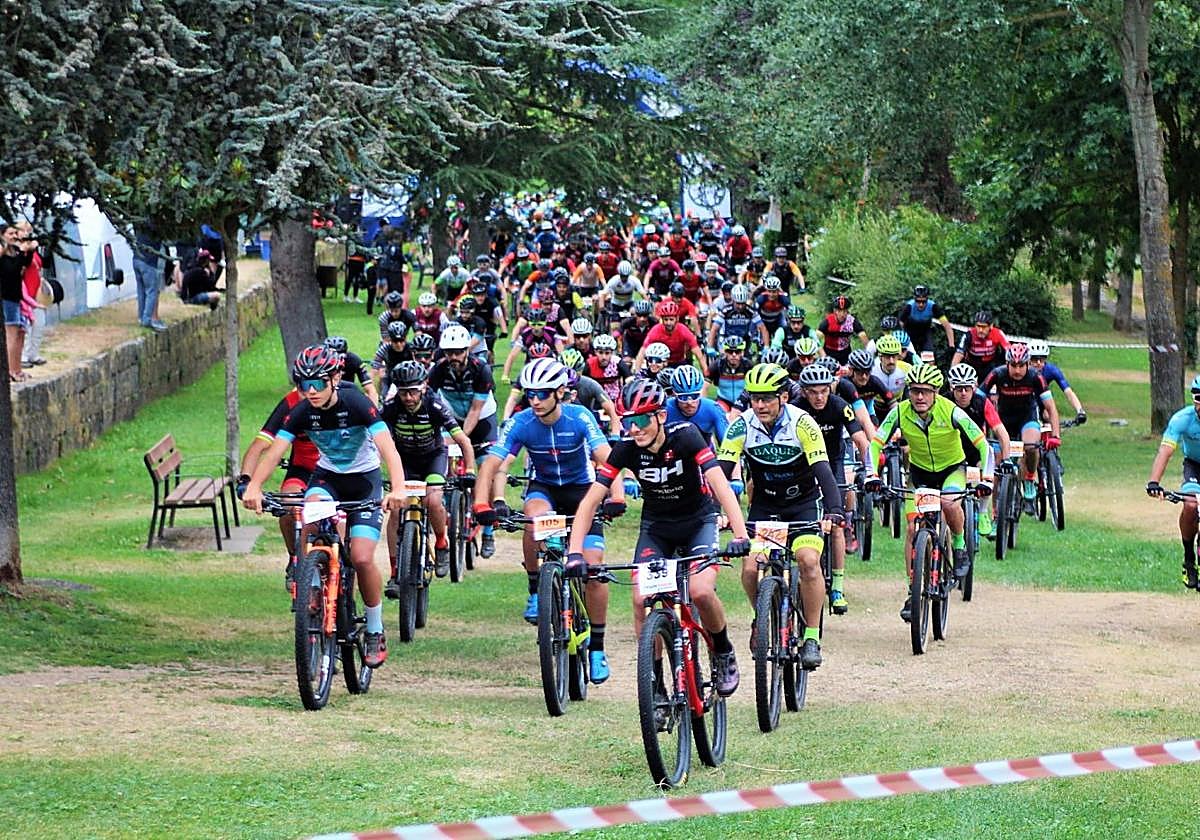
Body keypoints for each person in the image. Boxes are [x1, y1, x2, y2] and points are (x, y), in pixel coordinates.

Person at [569, 378, 749, 695]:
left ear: (661, 416)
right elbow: (589, 503)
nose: (634, 429)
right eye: (627, 421)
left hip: (698, 522)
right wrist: (573, 553)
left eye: (640, 420)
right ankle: (654, 681)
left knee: (701, 591)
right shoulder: (624, 450)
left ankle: (723, 650)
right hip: (657, 529)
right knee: (641, 600)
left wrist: (739, 534)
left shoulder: (687, 438)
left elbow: (719, 484)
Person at [241, 345, 408, 668]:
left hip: (364, 481)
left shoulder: (356, 402)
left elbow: (388, 450)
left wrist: (398, 487)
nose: (311, 392)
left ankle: (374, 628)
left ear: (335, 378)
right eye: (304, 385)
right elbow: (275, 452)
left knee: (360, 557)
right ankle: (312, 583)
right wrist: (256, 486)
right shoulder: (303, 410)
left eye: (317, 384)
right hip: (327, 478)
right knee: (308, 519)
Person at [473, 359, 622, 681]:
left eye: (541, 393)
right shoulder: (521, 422)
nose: (535, 400)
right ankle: (537, 588)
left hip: (582, 491)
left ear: (559, 392)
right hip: (544, 489)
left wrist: (617, 497)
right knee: (534, 518)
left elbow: (606, 459)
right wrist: (482, 504)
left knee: (594, 568)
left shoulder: (579, 416)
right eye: (529, 394)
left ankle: (597, 647)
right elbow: (492, 464)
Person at [716, 363, 844, 670]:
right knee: (750, 569)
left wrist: (834, 510)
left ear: (784, 397)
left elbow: (823, 471)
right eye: (754, 398)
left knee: (809, 561)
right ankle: (761, 616)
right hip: (766, 507)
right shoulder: (742, 425)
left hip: (803, 504)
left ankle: (811, 636)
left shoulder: (803, 423)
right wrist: (714, 512)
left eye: (767, 398)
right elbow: (719, 474)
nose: (759, 405)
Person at [869, 364, 992, 621]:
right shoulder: (900, 413)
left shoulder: (951, 411)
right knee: (913, 529)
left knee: (949, 503)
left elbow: (983, 446)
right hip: (920, 473)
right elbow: (876, 442)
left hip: (952, 469)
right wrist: (872, 473)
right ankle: (912, 589)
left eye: (925, 391)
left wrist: (987, 478)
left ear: (936, 392)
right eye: (914, 391)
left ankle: (959, 546)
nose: (920, 397)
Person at [381, 361, 476, 580]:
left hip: (433, 458)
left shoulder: (434, 406)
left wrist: (469, 470)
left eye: (413, 392)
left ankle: (442, 542)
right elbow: (377, 439)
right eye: (403, 392)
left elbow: (462, 440)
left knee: (433, 501)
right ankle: (395, 570)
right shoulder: (391, 408)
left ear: (424, 386)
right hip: (404, 460)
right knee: (396, 510)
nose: (408, 398)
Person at [792, 363, 874, 612]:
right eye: (813, 392)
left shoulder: (839, 406)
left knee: (836, 524)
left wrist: (869, 470)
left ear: (830, 389)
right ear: (804, 391)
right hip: (803, 465)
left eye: (823, 391)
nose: (819, 397)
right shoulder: (795, 408)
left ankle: (837, 586)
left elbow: (860, 439)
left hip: (833, 463)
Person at [981, 343, 1061, 515]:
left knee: (1031, 446)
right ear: (1007, 364)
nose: (1017, 371)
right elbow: (978, 399)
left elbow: (1051, 408)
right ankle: (996, 514)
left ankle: (1030, 480)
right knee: (997, 470)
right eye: (1013, 366)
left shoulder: (1035, 377)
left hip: (1027, 418)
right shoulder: (997, 374)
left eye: (1021, 366)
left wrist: (1055, 435)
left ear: (1027, 365)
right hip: (1003, 422)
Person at [1146, 374, 1200, 589]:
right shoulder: (1182, 419)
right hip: (1194, 466)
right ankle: (1189, 560)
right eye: (1198, 397)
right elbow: (1165, 451)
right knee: (1190, 505)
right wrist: (1154, 482)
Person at [946, 362, 1011, 538]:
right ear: (952, 387)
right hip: (951, 452)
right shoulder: (944, 402)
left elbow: (1000, 431)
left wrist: (1006, 459)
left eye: (967, 388)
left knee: (987, 469)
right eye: (959, 389)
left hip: (975, 450)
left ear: (974, 386)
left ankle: (983, 512)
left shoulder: (982, 402)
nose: (963, 393)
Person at [2, 225, 35, 382]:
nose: (15, 236)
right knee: (11, 335)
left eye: (15, 233)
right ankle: (9, 371)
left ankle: (17, 369)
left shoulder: (14, 251)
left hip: (16, 298)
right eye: (11, 233)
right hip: (6, 298)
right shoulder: (3, 253)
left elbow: (24, 266)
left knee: (19, 335)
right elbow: (11, 270)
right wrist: (22, 251)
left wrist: (29, 251)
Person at [1027, 340, 1087, 426]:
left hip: (1042, 403)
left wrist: (1080, 411)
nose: (1039, 363)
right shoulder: (1022, 370)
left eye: (1042, 359)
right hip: (1025, 402)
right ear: (1028, 359)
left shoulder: (1051, 370)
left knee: (1048, 416)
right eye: (1034, 359)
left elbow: (1068, 391)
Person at [668, 364, 728, 450]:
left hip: (706, 456)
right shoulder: (665, 409)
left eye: (694, 396)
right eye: (683, 397)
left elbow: (727, 446)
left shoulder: (713, 409)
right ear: (674, 394)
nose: (689, 402)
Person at [634, 300, 707, 370]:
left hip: (679, 362)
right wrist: (637, 373)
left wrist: (706, 372)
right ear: (662, 319)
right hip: (661, 364)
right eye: (666, 320)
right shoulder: (655, 330)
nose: (668, 323)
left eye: (671, 319)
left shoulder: (683, 330)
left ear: (677, 318)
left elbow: (697, 352)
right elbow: (642, 351)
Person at [951, 310, 1009, 382]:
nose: (980, 330)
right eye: (978, 326)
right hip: (972, 364)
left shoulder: (998, 333)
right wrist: (952, 373)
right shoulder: (969, 334)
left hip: (990, 365)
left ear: (991, 326)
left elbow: (1009, 351)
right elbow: (959, 354)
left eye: (984, 327)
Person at [898, 285, 955, 354]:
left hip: (925, 333)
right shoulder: (909, 306)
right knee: (909, 357)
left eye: (924, 301)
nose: (921, 304)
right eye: (918, 301)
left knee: (929, 359)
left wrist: (951, 345)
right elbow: (900, 324)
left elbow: (947, 326)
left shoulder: (933, 306)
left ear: (927, 299)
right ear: (914, 299)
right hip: (910, 333)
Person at [816, 295, 869, 365]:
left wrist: (868, 353)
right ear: (835, 311)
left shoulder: (852, 321)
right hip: (829, 352)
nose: (842, 314)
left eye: (844, 311)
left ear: (847, 311)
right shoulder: (828, 321)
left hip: (845, 353)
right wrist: (822, 354)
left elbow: (863, 335)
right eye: (839, 311)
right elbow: (816, 338)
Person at [132, 229, 167, 332]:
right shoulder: (155, 226)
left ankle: (141, 317)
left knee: (141, 291)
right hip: (148, 262)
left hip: (136, 259)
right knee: (152, 291)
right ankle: (147, 319)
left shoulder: (139, 224)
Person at [707, 335, 753, 411]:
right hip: (723, 401)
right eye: (730, 351)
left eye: (737, 351)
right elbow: (704, 387)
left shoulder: (748, 366)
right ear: (725, 352)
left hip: (743, 401)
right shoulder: (717, 365)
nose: (734, 355)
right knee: (721, 414)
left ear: (742, 352)